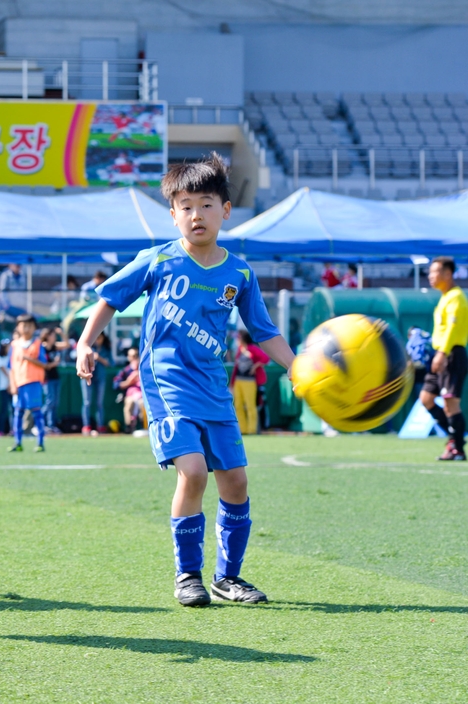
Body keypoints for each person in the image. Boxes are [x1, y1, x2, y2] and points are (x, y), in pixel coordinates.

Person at [75, 153, 295, 607]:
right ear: (173, 215)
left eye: (207, 204)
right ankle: (187, 575)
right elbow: (110, 299)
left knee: (235, 481)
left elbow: (265, 330)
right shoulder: (157, 260)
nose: (197, 214)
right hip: (167, 382)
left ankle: (228, 578)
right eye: (186, 205)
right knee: (193, 472)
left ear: (226, 210)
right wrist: (84, 342)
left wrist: (297, 367)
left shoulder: (239, 273)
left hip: (215, 387)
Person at [420, 256, 468, 461]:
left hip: (451, 355)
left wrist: (441, 353)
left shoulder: (456, 296)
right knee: (426, 399)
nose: (430, 276)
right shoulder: (444, 297)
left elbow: (452, 328)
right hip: (440, 353)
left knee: (451, 404)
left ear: (448, 274)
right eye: (430, 272)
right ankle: (453, 437)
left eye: (435, 271)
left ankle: (457, 447)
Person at [8, 314, 47, 452]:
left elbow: (44, 364)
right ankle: (18, 442)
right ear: (18, 327)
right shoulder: (14, 345)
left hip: (33, 382)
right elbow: (10, 367)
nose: (26, 328)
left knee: (36, 413)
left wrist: (29, 359)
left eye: (29, 325)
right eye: (23, 325)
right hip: (19, 384)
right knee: (18, 413)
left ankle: (40, 443)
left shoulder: (37, 344)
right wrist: (12, 385)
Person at [231, 330, 269, 435]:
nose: (237, 340)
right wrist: (232, 383)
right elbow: (236, 367)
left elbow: (266, 358)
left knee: (250, 405)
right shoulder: (239, 350)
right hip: (239, 380)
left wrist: (255, 366)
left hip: (249, 381)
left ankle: (252, 429)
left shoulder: (252, 348)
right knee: (238, 405)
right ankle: (242, 429)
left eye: (238, 338)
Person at [81, 331, 112, 434]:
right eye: (96, 337)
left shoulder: (106, 349)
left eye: (100, 337)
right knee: (87, 402)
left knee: (99, 403)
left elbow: (111, 363)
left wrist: (99, 358)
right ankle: (86, 426)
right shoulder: (88, 347)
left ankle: (100, 425)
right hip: (88, 377)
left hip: (100, 378)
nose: (98, 339)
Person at [114, 346, 144, 432]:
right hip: (130, 395)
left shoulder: (144, 369)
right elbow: (116, 385)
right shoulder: (125, 370)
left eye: (136, 355)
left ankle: (144, 426)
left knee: (142, 403)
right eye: (132, 356)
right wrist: (129, 382)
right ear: (128, 357)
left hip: (142, 395)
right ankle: (129, 427)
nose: (134, 358)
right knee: (130, 403)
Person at [40, 327, 63, 434]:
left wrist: (62, 333)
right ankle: (40, 423)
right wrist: (55, 363)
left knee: (55, 403)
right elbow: (44, 366)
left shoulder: (54, 347)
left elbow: (66, 344)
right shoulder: (42, 348)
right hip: (47, 379)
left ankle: (51, 425)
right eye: (53, 335)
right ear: (47, 336)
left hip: (55, 378)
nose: (54, 337)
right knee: (49, 402)